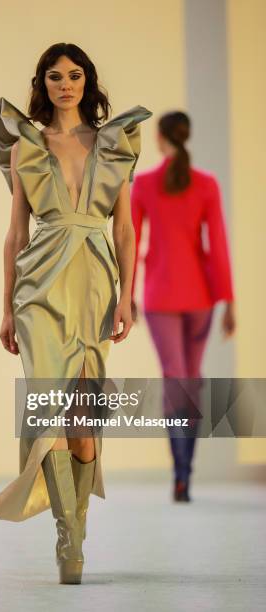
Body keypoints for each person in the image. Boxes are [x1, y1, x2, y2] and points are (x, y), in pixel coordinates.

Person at [0, 42, 152, 584]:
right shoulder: (26, 147)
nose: (66, 84)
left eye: (76, 75)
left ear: (88, 82)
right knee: (50, 411)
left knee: (84, 420)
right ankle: (70, 541)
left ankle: (75, 524)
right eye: (55, 76)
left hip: (95, 287)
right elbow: (16, 232)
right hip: (38, 289)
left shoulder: (115, 145)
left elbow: (125, 229)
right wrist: (7, 308)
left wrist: (128, 295)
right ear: (43, 83)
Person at [130, 111, 235, 503]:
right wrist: (229, 301)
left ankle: (180, 474)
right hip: (201, 296)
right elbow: (218, 244)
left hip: (161, 295)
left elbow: (131, 242)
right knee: (190, 379)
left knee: (176, 380)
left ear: (160, 139)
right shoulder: (206, 184)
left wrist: (126, 297)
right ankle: (185, 474)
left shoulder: (143, 183)